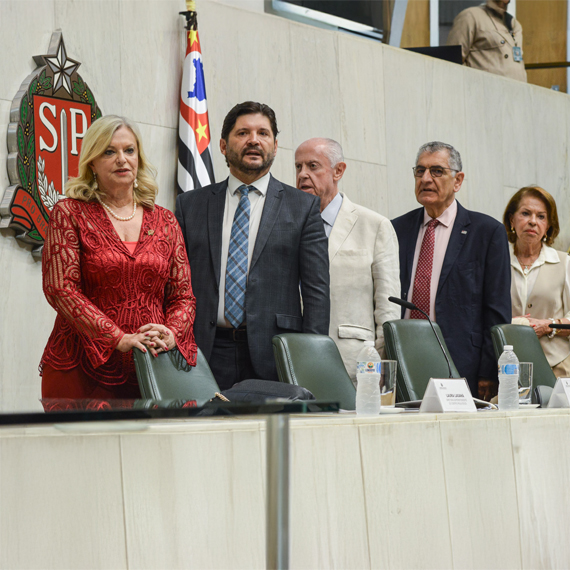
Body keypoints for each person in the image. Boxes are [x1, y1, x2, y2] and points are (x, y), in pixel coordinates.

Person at [175, 102, 330, 390]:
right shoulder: (190, 205)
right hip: (204, 352)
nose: (254, 140)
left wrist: (309, 357)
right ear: (223, 145)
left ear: (275, 144)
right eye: (243, 133)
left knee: (271, 434)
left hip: (275, 352)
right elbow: (174, 283)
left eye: (263, 133)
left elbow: (316, 292)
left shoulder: (302, 207)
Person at [41, 115, 197, 399]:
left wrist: (172, 333)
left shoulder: (165, 220)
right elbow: (60, 288)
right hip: (82, 369)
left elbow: (183, 296)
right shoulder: (69, 213)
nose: (122, 159)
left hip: (154, 366)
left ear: (138, 158)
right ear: (92, 162)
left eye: (129, 150)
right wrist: (117, 338)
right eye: (109, 152)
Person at [391, 141, 511, 400]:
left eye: (436, 171)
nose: (425, 178)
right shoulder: (396, 229)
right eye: (419, 171)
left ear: (458, 181)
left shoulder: (487, 232)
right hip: (404, 358)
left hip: (462, 364)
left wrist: (489, 372)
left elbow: (497, 311)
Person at [294, 137, 400, 383]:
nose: (302, 175)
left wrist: (381, 365)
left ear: (338, 171)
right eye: (298, 167)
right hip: (295, 359)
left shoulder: (374, 225)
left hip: (354, 363)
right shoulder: (288, 224)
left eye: (312, 166)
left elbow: (387, 308)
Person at [504, 186, 570, 377]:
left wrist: (550, 325)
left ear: (548, 225)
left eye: (541, 216)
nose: (533, 221)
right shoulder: (497, 263)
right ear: (512, 220)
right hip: (507, 368)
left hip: (558, 367)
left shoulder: (564, 262)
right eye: (525, 213)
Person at [447, 0, 527, 83]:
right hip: (483, 91)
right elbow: (451, 64)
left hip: (518, 92)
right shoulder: (470, 16)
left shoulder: (514, 24)